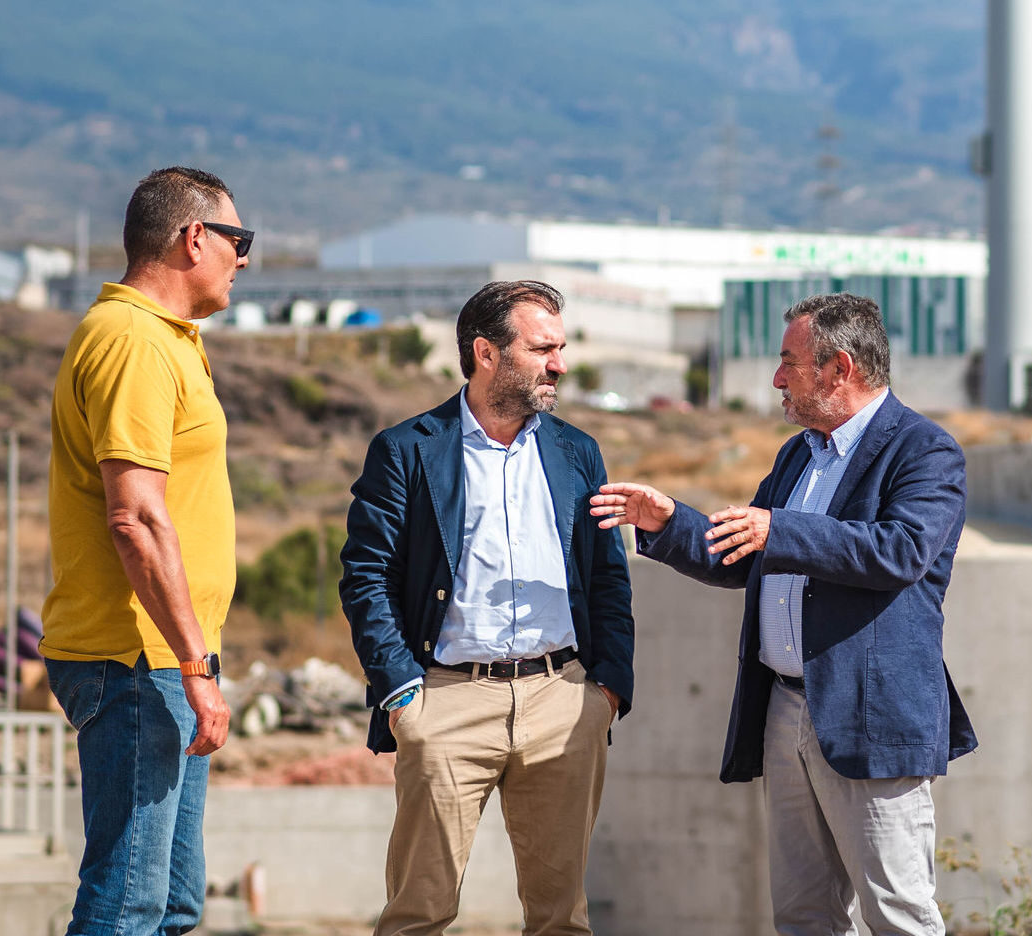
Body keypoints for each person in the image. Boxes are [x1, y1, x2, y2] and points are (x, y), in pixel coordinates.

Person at [591, 292, 973, 936]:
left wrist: (780, 529)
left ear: (839, 368)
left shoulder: (924, 450)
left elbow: (901, 551)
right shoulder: (798, 455)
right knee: (803, 914)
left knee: (898, 915)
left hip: (870, 716)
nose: (776, 379)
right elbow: (746, 552)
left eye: (788, 362)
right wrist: (670, 522)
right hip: (786, 709)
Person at [339, 279, 635, 936]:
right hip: (444, 700)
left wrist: (607, 690)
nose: (560, 364)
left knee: (561, 920)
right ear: (486, 353)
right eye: (542, 349)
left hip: (563, 701)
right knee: (417, 914)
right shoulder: (408, 449)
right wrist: (402, 695)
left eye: (561, 348)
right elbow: (366, 576)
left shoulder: (578, 452)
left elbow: (608, 579)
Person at [40, 166, 250, 934]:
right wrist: (195, 666)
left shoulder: (165, 339)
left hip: (165, 658)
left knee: (172, 905)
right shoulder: (133, 341)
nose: (244, 257)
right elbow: (135, 518)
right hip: (137, 659)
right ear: (194, 238)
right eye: (238, 238)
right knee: (128, 901)